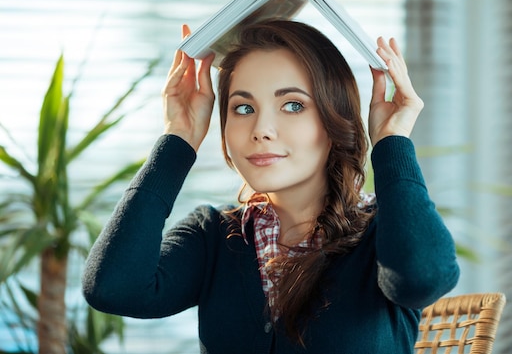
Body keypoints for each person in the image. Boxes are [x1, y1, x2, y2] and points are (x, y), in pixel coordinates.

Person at [82, 20, 460, 354]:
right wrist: (179, 138)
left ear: (334, 121)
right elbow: (113, 288)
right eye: (243, 108)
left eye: (293, 105)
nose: (260, 129)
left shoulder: (385, 232)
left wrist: (391, 141)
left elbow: (422, 278)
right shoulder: (215, 235)